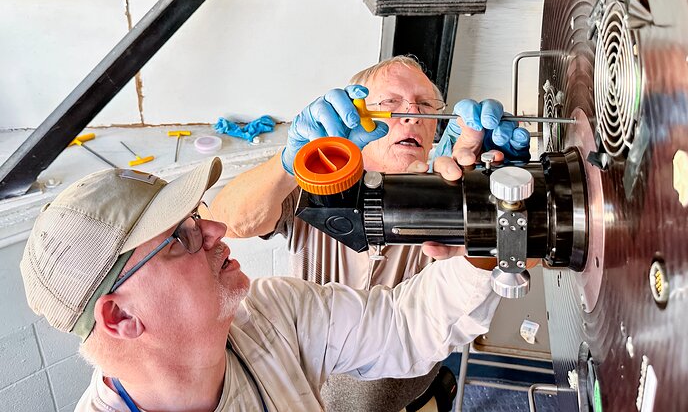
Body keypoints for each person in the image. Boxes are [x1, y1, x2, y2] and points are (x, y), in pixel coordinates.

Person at [20, 158, 501, 411]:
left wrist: (489, 233)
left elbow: (401, 325)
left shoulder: (270, 313)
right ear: (120, 316)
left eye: (196, 218)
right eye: (178, 238)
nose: (215, 231)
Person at [211, 55, 530, 411]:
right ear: (357, 117)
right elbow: (226, 221)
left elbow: (522, 260)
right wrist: (288, 163)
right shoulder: (317, 181)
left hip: (412, 401)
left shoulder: (448, 194)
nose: (412, 115)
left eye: (425, 106)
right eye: (391, 104)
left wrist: (498, 204)